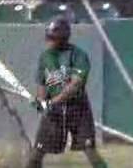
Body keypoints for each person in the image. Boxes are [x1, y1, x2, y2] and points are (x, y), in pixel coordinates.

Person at [26, 16, 107, 168]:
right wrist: (41, 101)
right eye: (48, 37)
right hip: (54, 112)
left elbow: (75, 85)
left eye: (52, 38)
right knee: (37, 153)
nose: (48, 41)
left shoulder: (78, 55)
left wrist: (52, 101)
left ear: (63, 38)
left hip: (78, 109)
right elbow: (42, 84)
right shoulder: (45, 57)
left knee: (89, 149)